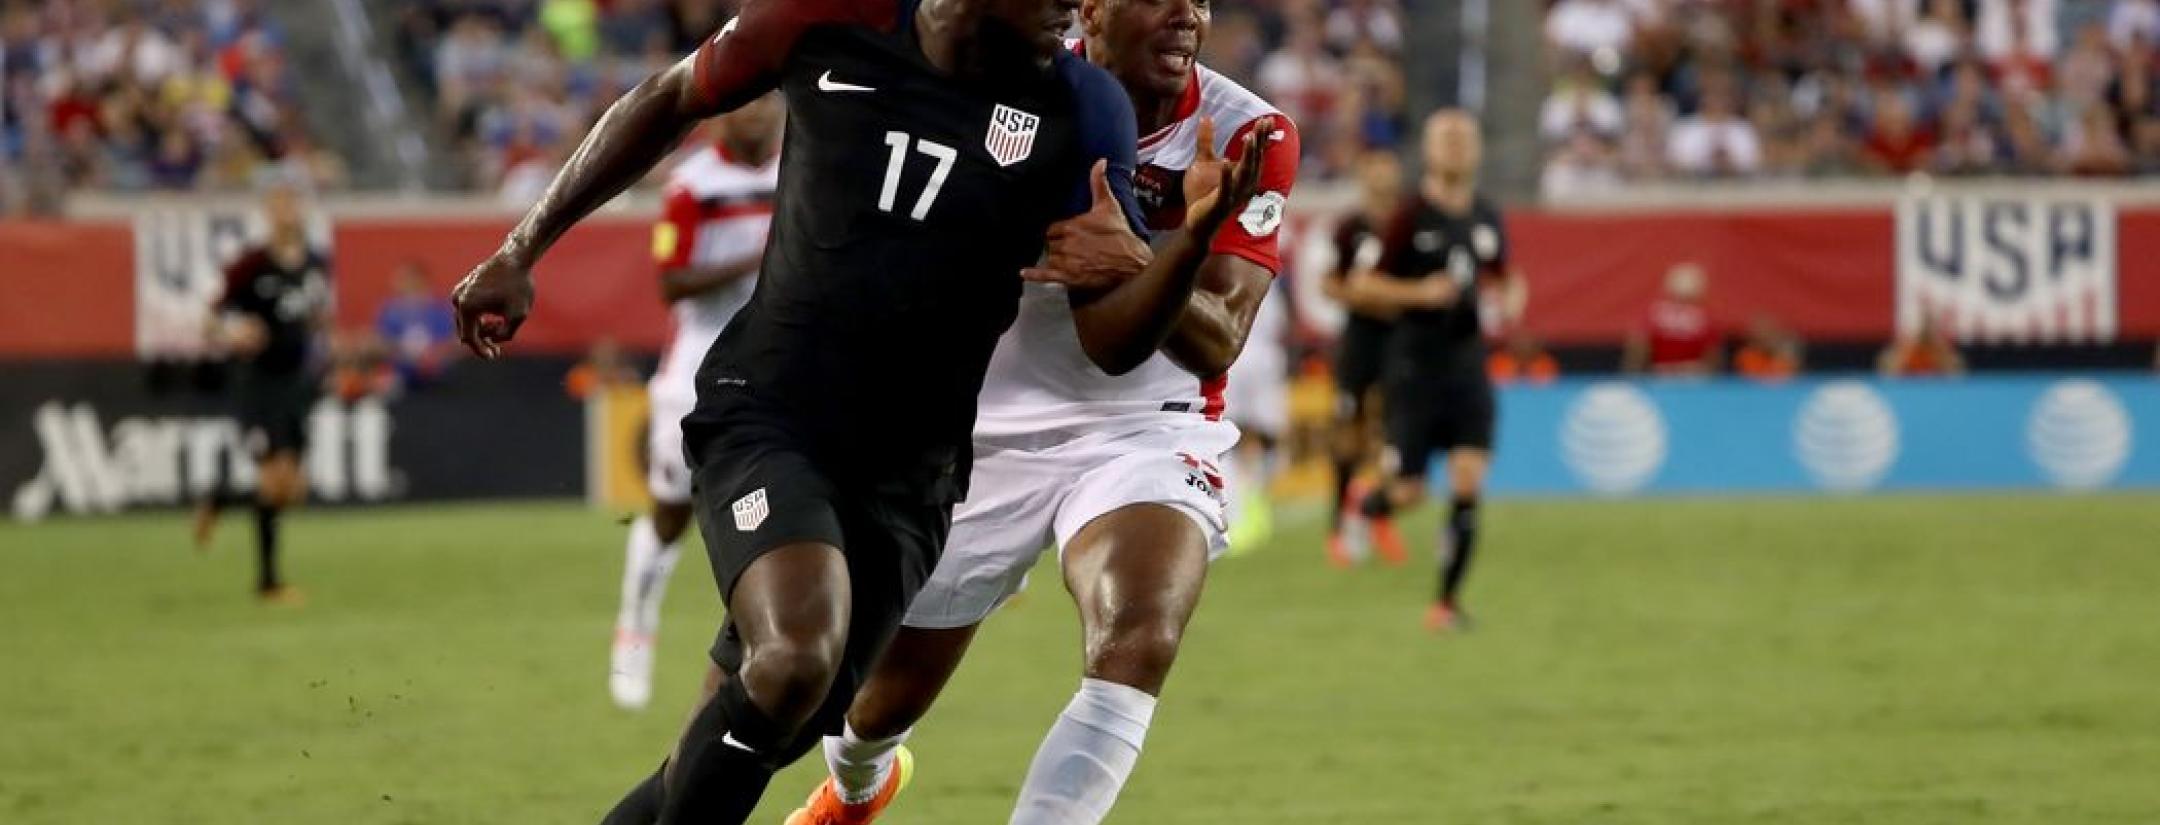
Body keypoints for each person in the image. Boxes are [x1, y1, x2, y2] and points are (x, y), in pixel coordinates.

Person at [446, 0, 1273, 820]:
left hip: (917, 471)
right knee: (794, 659)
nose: (1067, 9)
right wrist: (521, 247)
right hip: (775, 413)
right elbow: (670, 98)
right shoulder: (830, 14)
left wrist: (1182, 246)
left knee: (758, 723)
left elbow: (1111, 340)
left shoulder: (1084, 106)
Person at [781, 1, 1298, 821]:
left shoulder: (1249, 135)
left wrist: (1157, 249)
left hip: (1148, 422)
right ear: (1090, 8)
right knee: (879, 705)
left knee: (1137, 632)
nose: (1186, 16)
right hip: (979, 419)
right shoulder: (999, 81)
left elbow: (1221, 336)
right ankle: (857, 784)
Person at [609, 92, 782, 712]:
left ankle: (768, 648)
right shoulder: (691, 185)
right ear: (725, 113)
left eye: (769, 106)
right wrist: (753, 262)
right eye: (748, 106)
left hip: (777, 361)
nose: (758, 116)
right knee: (671, 507)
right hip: (698, 364)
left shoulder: (802, 168)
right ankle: (636, 624)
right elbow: (669, 281)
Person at [1339, 110, 1523, 633]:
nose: (1458, 147)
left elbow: (1507, 276)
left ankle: (1445, 604)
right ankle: (1365, 502)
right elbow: (1365, 285)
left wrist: (1511, 297)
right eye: (1447, 138)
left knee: (1468, 478)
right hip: (1414, 368)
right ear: (1430, 149)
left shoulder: (1487, 214)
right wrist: (1420, 293)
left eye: (1466, 138)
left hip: (1468, 365)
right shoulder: (1408, 216)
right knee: (1410, 491)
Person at [192, 185, 331, 605]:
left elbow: (315, 317)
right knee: (274, 482)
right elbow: (209, 320)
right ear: (269, 215)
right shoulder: (252, 265)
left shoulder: (314, 263)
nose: (287, 213)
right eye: (279, 206)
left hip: (297, 385)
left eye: (292, 204)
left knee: (293, 490)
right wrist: (232, 332)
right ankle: (268, 583)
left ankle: (220, 500)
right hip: (260, 382)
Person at [1320, 148, 1405, 567]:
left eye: (1387, 166)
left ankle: (1379, 517)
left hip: (1402, 341)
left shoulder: (1409, 224)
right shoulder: (1349, 228)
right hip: (1360, 340)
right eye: (1374, 167)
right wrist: (1366, 298)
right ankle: (1338, 525)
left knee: (1393, 433)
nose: (1382, 174)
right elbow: (1328, 284)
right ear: (1364, 174)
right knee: (1349, 432)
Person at [1622, 263, 1720, 376]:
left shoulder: (1654, 312)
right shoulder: (1705, 316)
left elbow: (1638, 345)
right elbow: (1713, 353)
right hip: (1692, 375)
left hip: (1663, 373)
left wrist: (1632, 374)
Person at [373, 260, 458, 389]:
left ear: (420, 280)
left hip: (438, 372)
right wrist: (402, 354)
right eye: (400, 279)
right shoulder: (389, 311)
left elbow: (455, 340)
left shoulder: (440, 308)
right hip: (400, 375)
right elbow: (381, 342)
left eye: (406, 278)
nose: (400, 283)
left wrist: (436, 354)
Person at [1878, 316, 1966, 377]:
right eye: (1922, 327)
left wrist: (1941, 353)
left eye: (1930, 327)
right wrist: (1906, 350)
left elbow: (1957, 373)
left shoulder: (1941, 350)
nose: (1925, 331)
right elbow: (1887, 372)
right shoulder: (1906, 349)